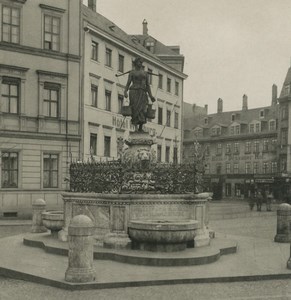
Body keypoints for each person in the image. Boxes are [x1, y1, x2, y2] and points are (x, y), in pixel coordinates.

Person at [124, 57, 155, 132]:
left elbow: (147, 85)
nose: (141, 64)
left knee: (143, 110)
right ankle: (136, 127)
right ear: (136, 63)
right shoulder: (132, 73)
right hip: (134, 92)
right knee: (134, 109)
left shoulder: (145, 73)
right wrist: (125, 91)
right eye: (139, 62)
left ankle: (141, 127)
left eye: (141, 62)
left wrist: (151, 96)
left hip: (142, 93)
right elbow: (128, 83)